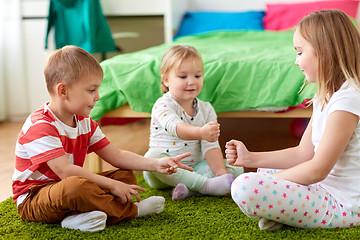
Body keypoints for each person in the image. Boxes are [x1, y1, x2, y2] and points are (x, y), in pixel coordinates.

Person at [12, 45, 194, 232]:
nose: (98, 97)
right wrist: (111, 186)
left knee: (124, 174)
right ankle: (130, 211)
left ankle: (77, 218)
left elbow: (116, 155)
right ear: (63, 91)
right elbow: (65, 171)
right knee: (75, 187)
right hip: (33, 199)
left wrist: (156, 163)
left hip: (66, 187)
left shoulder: (85, 122)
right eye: (91, 90)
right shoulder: (40, 125)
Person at [226, 9, 360, 230]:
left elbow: (317, 169)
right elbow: (303, 154)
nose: (296, 61)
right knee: (262, 173)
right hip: (322, 187)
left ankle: (283, 213)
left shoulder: (348, 100)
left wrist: (273, 183)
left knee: (245, 186)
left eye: (299, 52)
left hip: (344, 203)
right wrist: (251, 159)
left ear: (324, 52)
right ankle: (283, 213)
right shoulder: (325, 96)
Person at [143, 45, 244, 201]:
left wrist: (220, 172)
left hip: (195, 167)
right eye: (183, 77)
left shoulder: (206, 108)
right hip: (163, 171)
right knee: (152, 157)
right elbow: (176, 127)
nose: (191, 82)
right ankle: (205, 186)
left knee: (236, 168)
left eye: (197, 76)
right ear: (166, 80)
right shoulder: (162, 105)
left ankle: (191, 189)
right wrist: (201, 132)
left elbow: (211, 146)